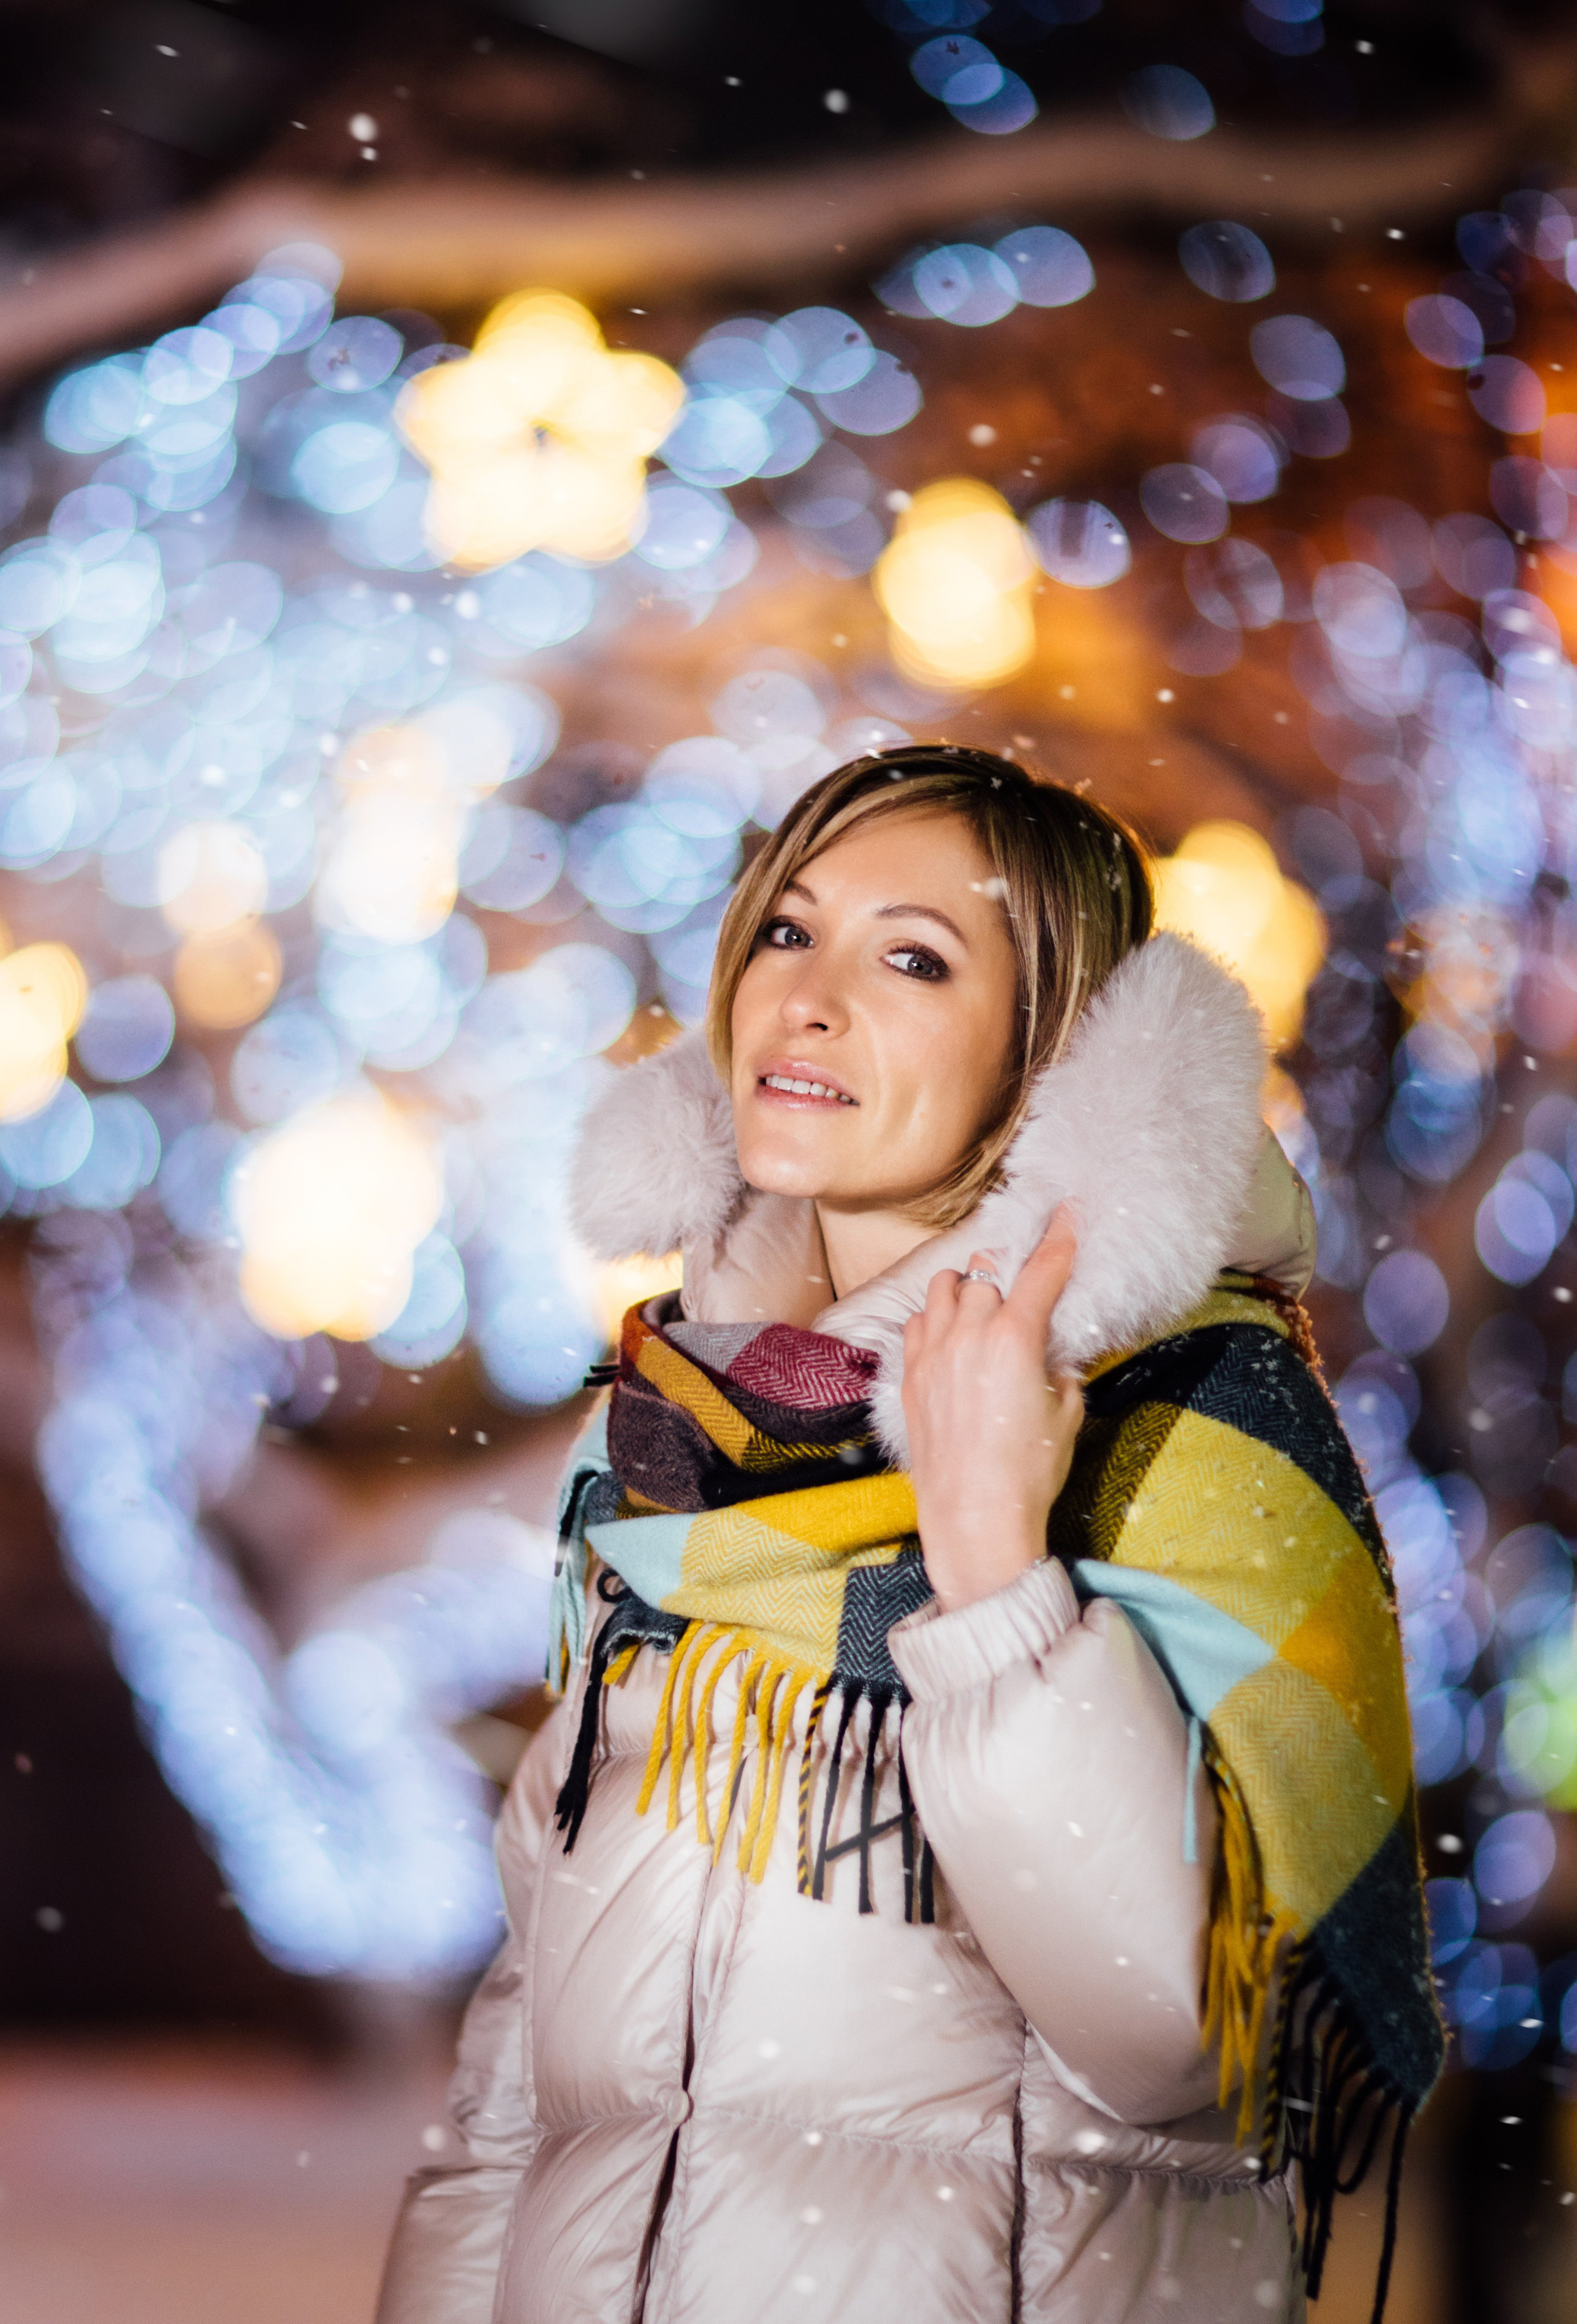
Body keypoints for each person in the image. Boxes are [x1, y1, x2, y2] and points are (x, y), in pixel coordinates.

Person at [376, 746, 1441, 2324]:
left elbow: (1168, 2038)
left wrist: (995, 1576)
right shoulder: (685, 1461)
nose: (802, 1000)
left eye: (913, 958)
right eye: (788, 932)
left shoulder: (1175, 1440)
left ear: (1049, 1052)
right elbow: (518, 2120)